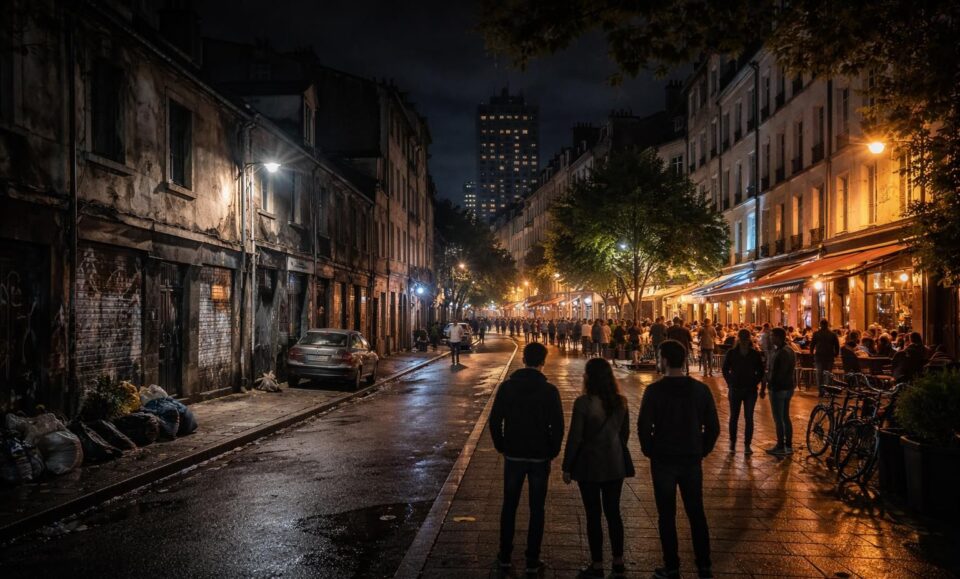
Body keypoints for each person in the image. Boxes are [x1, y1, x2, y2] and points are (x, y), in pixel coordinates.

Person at [638, 340, 719, 579]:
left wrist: (649, 449)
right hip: (690, 458)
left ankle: (671, 565)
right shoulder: (700, 390)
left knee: (666, 514)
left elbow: (644, 426)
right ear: (684, 360)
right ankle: (704, 564)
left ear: (663, 359)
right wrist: (702, 449)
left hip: (663, 458)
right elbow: (713, 427)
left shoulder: (654, 391)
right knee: (696, 511)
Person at [489, 343, 565, 575]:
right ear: (543, 361)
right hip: (539, 457)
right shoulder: (549, 391)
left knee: (509, 505)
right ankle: (532, 559)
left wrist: (502, 445)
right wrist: (552, 450)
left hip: (514, 454)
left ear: (523, 359)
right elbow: (558, 426)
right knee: (537, 508)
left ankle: (504, 555)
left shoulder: (507, 388)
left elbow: (494, 421)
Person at [562, 358, 633, 578]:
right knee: (613, 513)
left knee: (593, 514)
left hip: (589, 465)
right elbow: (625, 435)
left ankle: (597, 564)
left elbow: (575, 437)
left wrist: (567, 466)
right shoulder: (621, 402)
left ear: (589, 377)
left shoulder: (583, 402)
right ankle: (619, 561)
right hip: (614, 463)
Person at [721, 329, 766, 454]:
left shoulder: (754, 354)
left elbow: (761, 371)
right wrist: (730, 381)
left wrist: (756, 382)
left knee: (748, 417)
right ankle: (733, 441)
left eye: (746, 339)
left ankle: (747, 444)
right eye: (743, 338)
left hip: (750, 389)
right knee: (734, 416)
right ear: (739, 339)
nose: (745, 341)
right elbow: (725, 369)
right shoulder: (732, 353)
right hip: (736, 388)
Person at [765, 327, 797, 455]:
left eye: (773, 336)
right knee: (785, 416)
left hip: (779, 388)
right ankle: (788, 444)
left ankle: (780, 445)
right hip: (788, 386)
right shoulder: (790, 350)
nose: (771, 338)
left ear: (778, 337)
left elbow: (779, 372)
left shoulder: (782, 352)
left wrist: (771, 384)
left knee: (778, 417)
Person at [810, 319, 840, 395]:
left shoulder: (816, 334)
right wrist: (836, 354)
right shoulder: (833, 334)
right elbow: (837, 345)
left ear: (820, 324)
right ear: (827, 324)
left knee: (819, 374)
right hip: (829, 356)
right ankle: (828, 390)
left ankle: (821, 391)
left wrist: (811, 353)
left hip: (819, 356)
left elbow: (812, 344)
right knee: (828, 374)